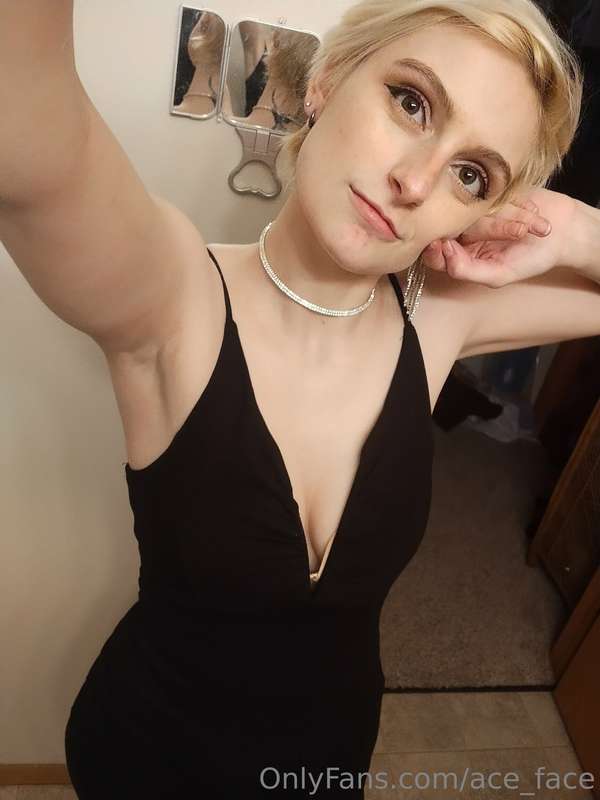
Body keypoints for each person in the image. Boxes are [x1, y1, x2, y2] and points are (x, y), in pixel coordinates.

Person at [1, 0, 599, 798]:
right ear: (325, 80)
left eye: (471, 175)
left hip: (323, 764)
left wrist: (575, 233)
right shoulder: (170, 295)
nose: (417, 182)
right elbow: (19, 111)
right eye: (411, 101)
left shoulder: (442, 320)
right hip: (144, 761)